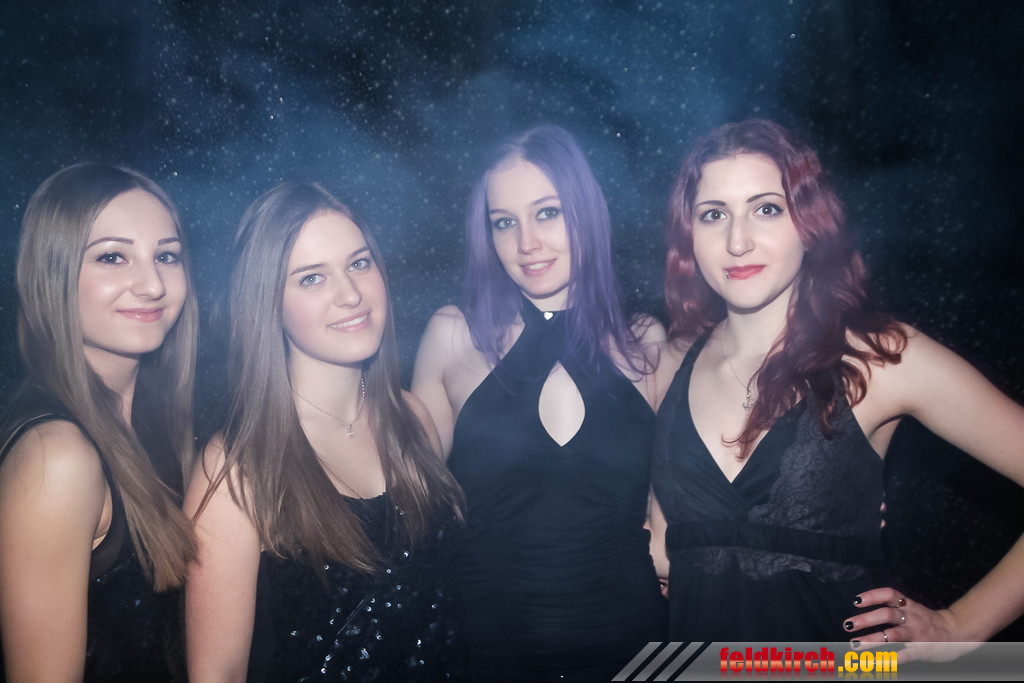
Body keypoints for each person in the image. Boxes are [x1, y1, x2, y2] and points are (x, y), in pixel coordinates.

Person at [652, 118, 1024, 650]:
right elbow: (660, 539)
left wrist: (959, 626)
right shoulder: (672, 363)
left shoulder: (881, 358)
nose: (737, 240)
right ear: (688, 235)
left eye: (766, 208)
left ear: (811, 221)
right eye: (714, 214)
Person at [412, 124, 667, 681]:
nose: (526, 243)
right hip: (490, 656)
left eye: (548, 213)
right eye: (505, 222)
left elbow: (696, 502)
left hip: (633, 650)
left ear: (586, 213)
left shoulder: (645, 342)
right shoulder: (453, 336)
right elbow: (398, 490)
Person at [184, 181, 466, 682]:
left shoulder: (413, 418)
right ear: (267, 302)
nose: (351, 294)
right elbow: (216, 673)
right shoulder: (237, 469)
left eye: (359, 263)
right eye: (312, 278)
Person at [0, 163, 198, 681]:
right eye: (113, 257)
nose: (152, 284)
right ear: (54, 273)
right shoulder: (57, 457)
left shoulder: (155, 419)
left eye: (166, 256)